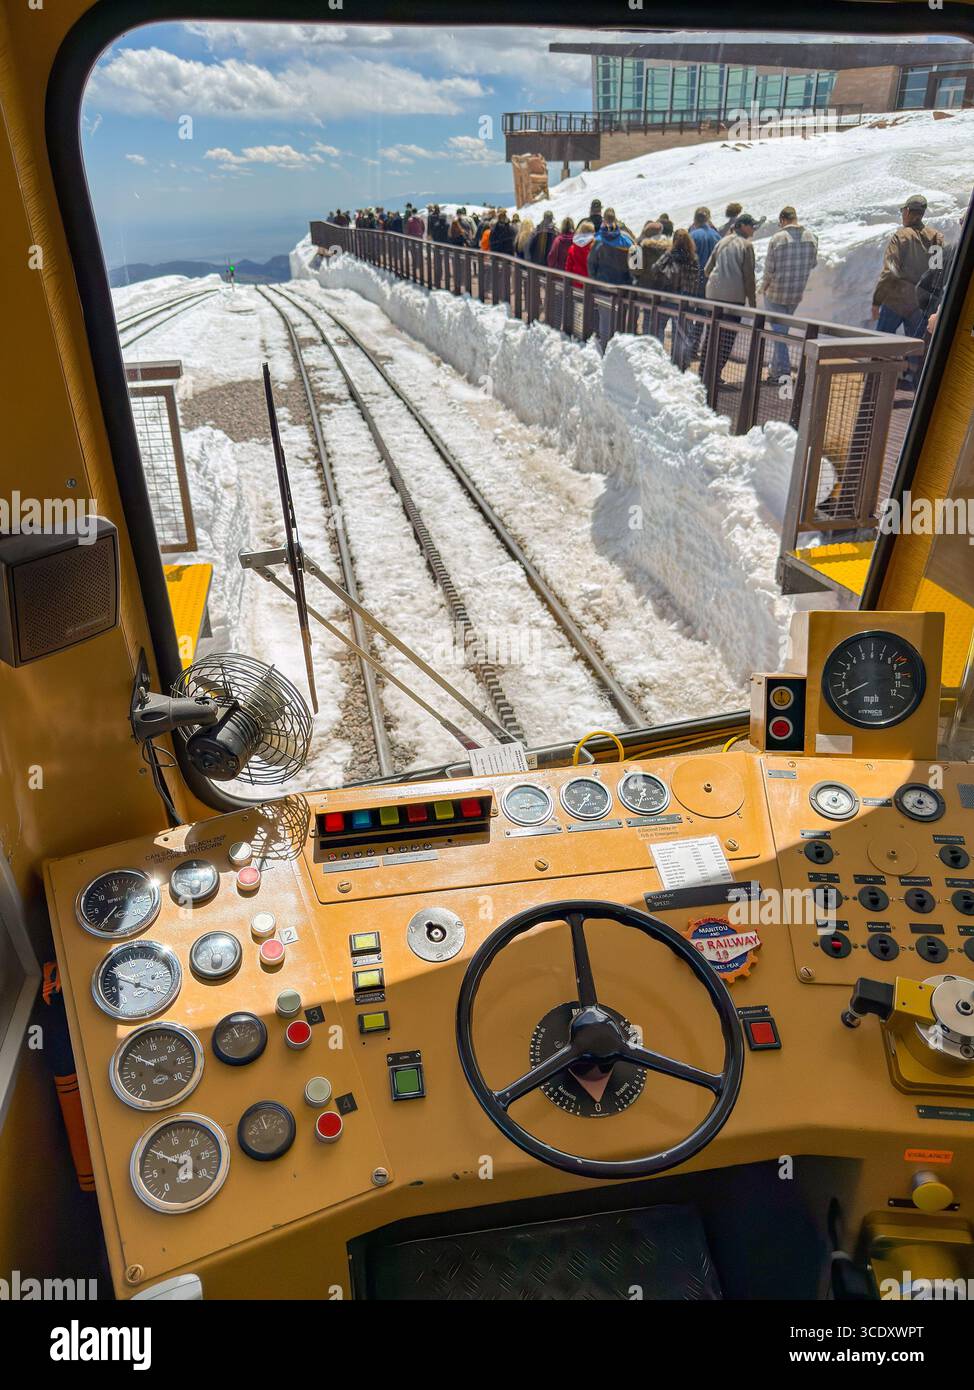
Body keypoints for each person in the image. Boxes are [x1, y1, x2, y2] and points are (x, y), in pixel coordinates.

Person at [871, 194, 945, 387]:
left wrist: (877, 300)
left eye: (903, 211)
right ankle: (914, 388)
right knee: (915, 347)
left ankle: (874, 384)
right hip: (919, 303)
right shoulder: (936, 238)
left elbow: (889, 271)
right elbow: (938, 272)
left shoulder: (900, 237)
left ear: (908, 212)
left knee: (881, 342)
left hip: (895, 299)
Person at [760, 206, 819, 382]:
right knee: (782, 331)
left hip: (776, 293)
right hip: (795, 293)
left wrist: (763, 287)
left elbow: (769, 270)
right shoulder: (812, 237)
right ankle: (774, 370)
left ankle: (783, 373)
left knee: (779, 335)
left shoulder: (777, 238)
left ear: (783, 220)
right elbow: (813, 263)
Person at [705, 213, 757, 382]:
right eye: (751, 225)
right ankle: (716, 375)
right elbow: (749, 276)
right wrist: (752, 302)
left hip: (713, 294)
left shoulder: (722, 241)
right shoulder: (746, 245)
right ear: (742, 225)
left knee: (712, 333)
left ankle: (704, 371)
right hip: (733, 297)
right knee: (727, 337)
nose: (753, 228)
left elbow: (707, 269)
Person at [650, 229, 700, 367]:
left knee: (658, 327)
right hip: (685, 301)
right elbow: (696, 280)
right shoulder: (693, 258)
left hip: (667, 298)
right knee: (681, 334)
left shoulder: (669, 255)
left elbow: (655, 268)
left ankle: (656, 358)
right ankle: (678, 364)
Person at [587, 208, 633, 348]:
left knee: (605, 320)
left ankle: (605, 350)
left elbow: (591, 263)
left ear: (603, 221)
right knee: (620, 320)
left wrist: (595, 279)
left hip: (603, 287)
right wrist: (630, 280)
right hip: (622, 288)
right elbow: (636, 263)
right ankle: (618, 350)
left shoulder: (598, 240)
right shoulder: (626, 240)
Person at [629, 220, 672, 292]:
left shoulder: (640, 248)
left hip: (645, 289)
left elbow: (636, 271)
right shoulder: (669, 247)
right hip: (664, 289)